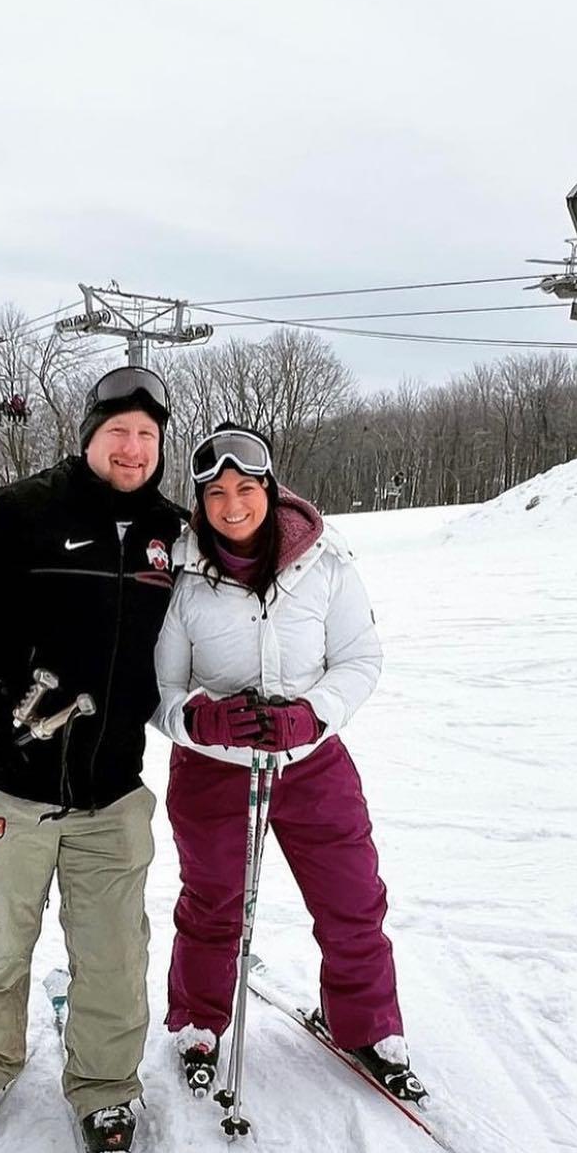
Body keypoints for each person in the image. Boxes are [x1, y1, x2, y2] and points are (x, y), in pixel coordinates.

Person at [0, 364, 184, 1153]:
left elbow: (244, 569)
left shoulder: (172, 535)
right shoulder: (21, 511)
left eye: (147, 435)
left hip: (113, 787)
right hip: (9, 783)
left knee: (113, 953)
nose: (133, 447)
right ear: (89, 437)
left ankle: (106, 1087)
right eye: (118, 432)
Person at [152, 424, 427, 1102]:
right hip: (214, 768)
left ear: (269, 491)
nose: (232, 504)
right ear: (200, 502)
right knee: (214, 902)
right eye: (216, 493)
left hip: (311, 762)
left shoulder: (324, 562)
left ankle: (362, 1022)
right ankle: (197, 1021)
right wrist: (200, 719)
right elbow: (157, 693)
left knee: (351, 897)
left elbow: (360, 658)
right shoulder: (180, 577)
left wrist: (312, 714)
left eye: (245, 488)